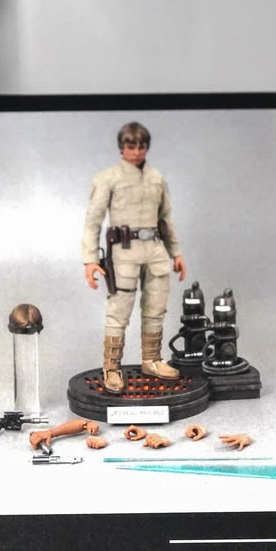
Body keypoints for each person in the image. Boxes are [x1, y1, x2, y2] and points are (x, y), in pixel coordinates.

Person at [82, 122, 187, 393]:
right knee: (119, 311)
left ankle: (152, 360)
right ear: (122, 147)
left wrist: (175, 253)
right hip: (124, 252)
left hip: (155, 250)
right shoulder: (108, 178)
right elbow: (93, 220)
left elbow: (166, 219)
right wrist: (90, 259)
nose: (136, 151)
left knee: (156, 309)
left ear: (147, 147)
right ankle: (111, 367)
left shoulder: (156, 178)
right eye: (131, 146)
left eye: (141, 146)